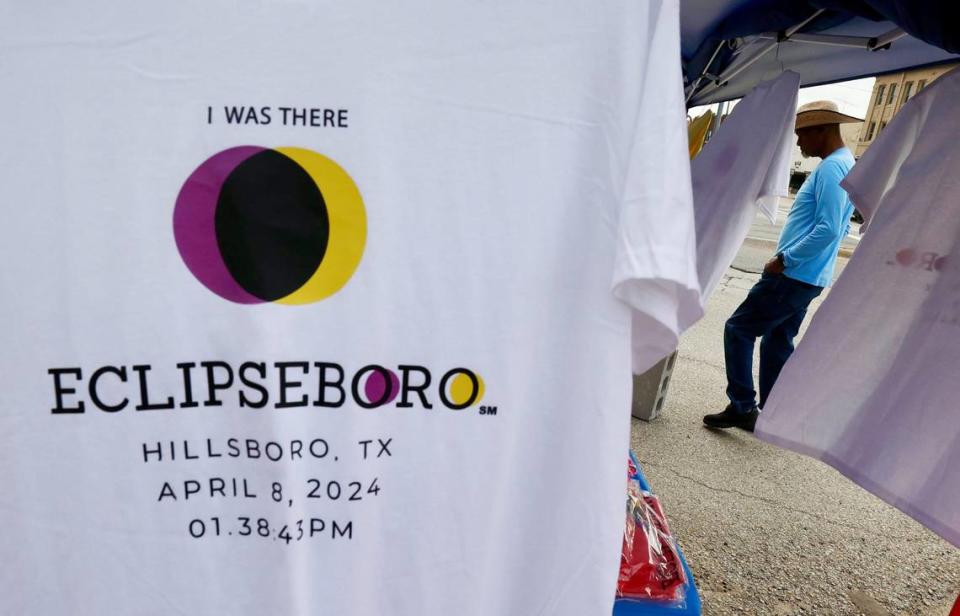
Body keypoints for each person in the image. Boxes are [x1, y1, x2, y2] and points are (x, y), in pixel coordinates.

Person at [703, 100, 860, 432]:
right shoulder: (847, 165)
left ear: (822, 131)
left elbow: (830, 228)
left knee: (739, 328)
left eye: (803, 135)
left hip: (793, 275)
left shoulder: (832, 168)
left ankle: (743, 406)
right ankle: (774, 413)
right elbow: (842, 226)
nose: (800, 143)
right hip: (810, 276)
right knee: (777, 339)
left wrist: (785, 259)